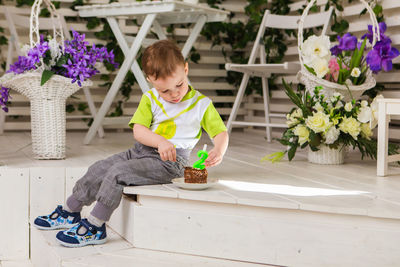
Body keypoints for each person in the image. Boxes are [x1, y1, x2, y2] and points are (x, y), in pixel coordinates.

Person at [33, 39, 229, 247]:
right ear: (150, 80)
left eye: (179, 85)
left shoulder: (201, 104)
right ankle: (70, 210)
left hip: (170, 162)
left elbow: (220, 132)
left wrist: (219, 149)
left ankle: (96, 225)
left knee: (118, 173)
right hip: (139, 152)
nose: (174, 94)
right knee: (98, 168)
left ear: (186, 69)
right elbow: (139, 130)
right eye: (165, 91)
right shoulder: (150, 98)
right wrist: (160, 141)